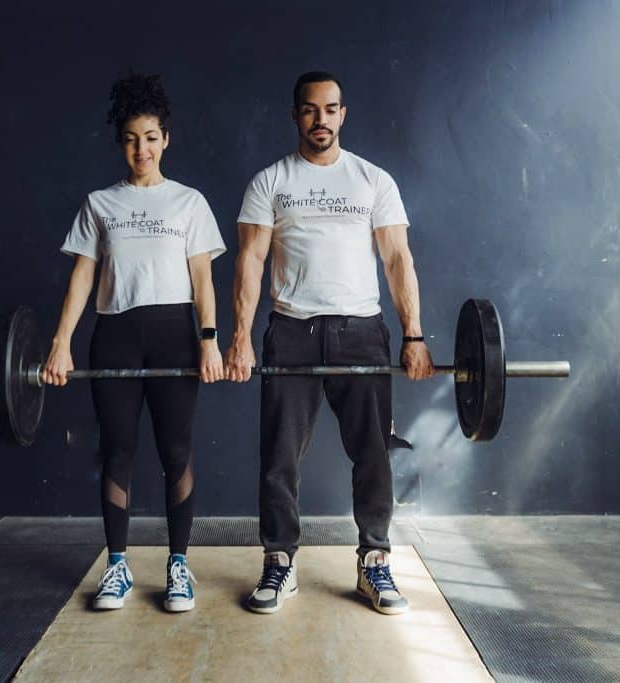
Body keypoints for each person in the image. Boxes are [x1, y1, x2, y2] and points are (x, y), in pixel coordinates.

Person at [224, 71, 435, 615]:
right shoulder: (270, 182)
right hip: (290, 332)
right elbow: (249, 261)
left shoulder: (372, 180)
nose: (322, 119)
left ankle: (375, 562)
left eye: (331, 109)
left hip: (361, 332)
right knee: (279, 457)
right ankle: (278, 562)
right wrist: (240, 339)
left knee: (373, 456)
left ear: (344, 114)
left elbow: (397, 260)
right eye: (311, 110)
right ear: (295, 115)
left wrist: (413, 334)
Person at [44, 73, 226, 613]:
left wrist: (210, 341)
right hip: (115, 337)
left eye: (150, 137)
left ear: (165, 138)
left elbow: (202, 281)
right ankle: (117, 565)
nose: (141, 148)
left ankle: (178, 567)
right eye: (130, 138)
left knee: (176, 453)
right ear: (119, 143)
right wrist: (61, 344)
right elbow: (81, 279)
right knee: (118, 452)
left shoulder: (189, 202)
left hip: (176, 338)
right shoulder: (100, 203)